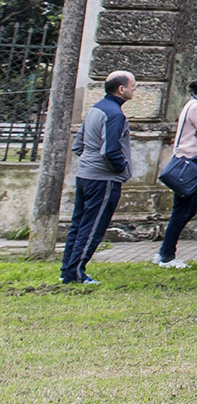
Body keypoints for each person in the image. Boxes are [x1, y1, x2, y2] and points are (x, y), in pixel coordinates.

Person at [62, 70, 136, 285]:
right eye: (132, 86)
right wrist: (121, 168)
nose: (134, 89)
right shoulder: (115, 114)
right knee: (92, 227)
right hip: (103, 179)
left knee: (78, 224)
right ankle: (76, 274)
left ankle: (67, 271)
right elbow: (110, 150)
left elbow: (78, 145)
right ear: (121, 89)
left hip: (85, 175)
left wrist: (89, 162)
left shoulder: (95, 109)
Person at [153, 73, 197, 269]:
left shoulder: (194, 104)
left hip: (187, 160)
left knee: (186, 210)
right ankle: (166, 255)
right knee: (183, 210)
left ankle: (165, 252)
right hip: (190, 161)